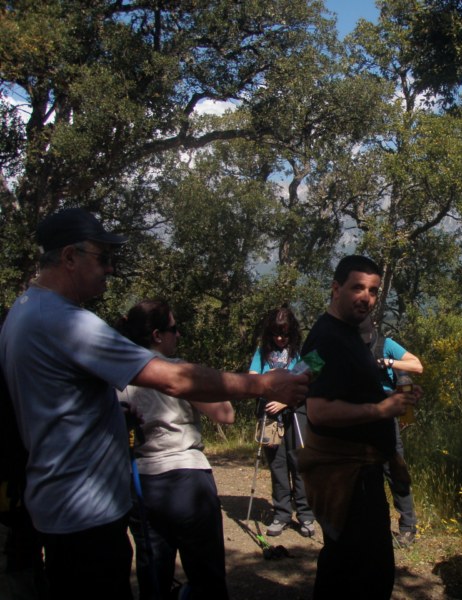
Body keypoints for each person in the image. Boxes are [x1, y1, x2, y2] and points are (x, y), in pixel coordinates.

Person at [0, 207, 309, 599]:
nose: (110, 269)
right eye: (104, 258)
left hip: (57, 506)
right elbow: (175, 379)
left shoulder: (23, 311)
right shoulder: (66, 322)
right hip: (85, 515)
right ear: (69, 257)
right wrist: (263, 383)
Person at [296, 255, 419, 600]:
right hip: (348, 477)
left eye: (373, 290)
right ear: (336, 289)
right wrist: (382, 408)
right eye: (357, 288)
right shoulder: (327, 338)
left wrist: (395, 396)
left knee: (343, 564)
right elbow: (318, 410)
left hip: (359, 473)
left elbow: (311, 377)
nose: (366, 297)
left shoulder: (342, 334)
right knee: (364, 572)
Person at [116, 300, 233, 600]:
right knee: (207, 577)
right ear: (157, 335)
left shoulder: (117, 375)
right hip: (187, 480)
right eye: (174, 329)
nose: (178, 335)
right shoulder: (178, 370)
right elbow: (225, 414)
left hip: (140, 485)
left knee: (154, 578)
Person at [248, 305, 315, 538]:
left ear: (292, 332)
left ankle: (306, 515)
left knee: (298, 462)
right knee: (277, 464)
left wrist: (284, 401)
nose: (280, 338)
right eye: (276, 333)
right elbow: (252, 377)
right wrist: (268, 391)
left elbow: (310, 375)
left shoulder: (301, 350)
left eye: (285, 334)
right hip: (268, 412)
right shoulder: (262, 351)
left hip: (296, 411)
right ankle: (281, 513)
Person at [359, 318, 423, 548]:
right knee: (365, 473)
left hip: (386, 414)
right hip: (359, 415)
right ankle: (372, 527)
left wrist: (387, 362)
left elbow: (416, 365)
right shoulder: (347, 345)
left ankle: (407, 527)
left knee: (395, 470)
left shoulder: (385, 344)